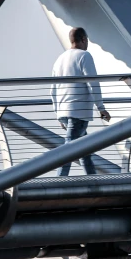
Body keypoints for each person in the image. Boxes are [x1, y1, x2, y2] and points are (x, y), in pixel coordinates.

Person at [50, 27, 111, 176]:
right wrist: (101, 108)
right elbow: (92, 83)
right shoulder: (84, 56)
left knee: (85, 149)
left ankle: (92, 179)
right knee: (69, 149)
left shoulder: (60, 59)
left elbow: (53, 90)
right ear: (84, 39)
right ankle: (58, 182)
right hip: (78, 111)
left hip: (64, 110)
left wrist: (58, 113)